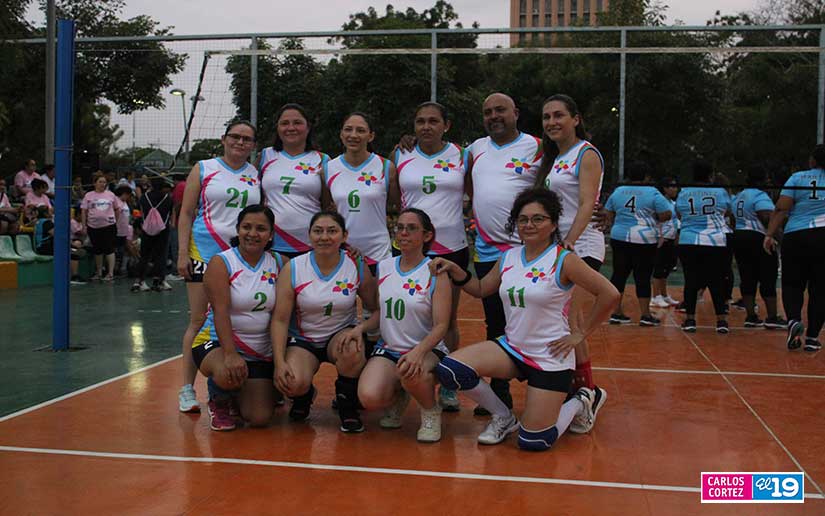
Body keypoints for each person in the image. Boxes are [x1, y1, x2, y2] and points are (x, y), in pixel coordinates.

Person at [430, 189, 619, 448]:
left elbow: (609, 294)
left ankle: (584, 398)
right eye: (523, 219)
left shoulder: (564, 260)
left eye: (538, 219)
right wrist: (455, 270)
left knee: (534, 441)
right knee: (451, 369)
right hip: (514, 349)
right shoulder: (509, 257)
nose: (529, 225)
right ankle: (503, 416)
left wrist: (580, 334)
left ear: (553, 223)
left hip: (550, 355)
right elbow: (482, 288)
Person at [462, 93, 544, 414]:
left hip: (526, 255)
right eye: (487, 112)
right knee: (494, 323)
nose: (494, 116)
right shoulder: (475, 149)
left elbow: (560, 185)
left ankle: (550, 384)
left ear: (516, 112)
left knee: (532, 321)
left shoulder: (537, 146)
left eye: (500, 110)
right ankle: (500, 392)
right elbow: (457, 175)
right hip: (486, 252)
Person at [176, 120, 261, 413]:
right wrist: (182, 253)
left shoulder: (256, 174)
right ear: (223, 139)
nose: (240, 142)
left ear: (253, 145)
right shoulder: (204, 168)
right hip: (204, 251)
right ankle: (187, 389)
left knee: (234, 316)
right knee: (199, 320)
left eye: (247, 139)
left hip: (242, 255)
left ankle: (231, 384)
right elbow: (186, 213)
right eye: (235, 137)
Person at [390, 101, 470, 412]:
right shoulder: (401, 154)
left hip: (451, 247)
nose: (426, 126)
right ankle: (401, 383)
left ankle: (447, 384)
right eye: (420, 121)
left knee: (446, 320)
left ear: (446, 125)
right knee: (405, 317)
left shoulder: (462, 155)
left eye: (433, 121)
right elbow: (396, 198)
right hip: (411, 248)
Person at [534, 94, 607, 426]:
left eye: (559, 115)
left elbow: (587, 204)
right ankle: (581, 391)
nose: (552, 122)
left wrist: (569, 243)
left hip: (581, 247)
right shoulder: (557, 157)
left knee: (573, 323)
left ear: (576, 119)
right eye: (547, 117)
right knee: (564, 322)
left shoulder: (586, 154)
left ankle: (587, 395)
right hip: (560, 249)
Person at [271, 211, 377, 432]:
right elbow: (280, 320)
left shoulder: (355, 265)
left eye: (332, 231)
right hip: (303, 339)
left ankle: (347, 405)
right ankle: (304, 394)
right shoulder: (294, 268)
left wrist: (361, 329)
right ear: (309, 235)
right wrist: (279, 362)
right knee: (293, 382)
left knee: (352, 348)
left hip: (339, 335)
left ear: (344, 235)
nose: (325, 237)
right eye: (318, 231)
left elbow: (377, 309)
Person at [350, 208, 450, 441]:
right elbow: (380, 312)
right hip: (390, 348)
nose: (403, 233)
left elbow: (441, 326)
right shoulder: (385, 267)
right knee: (369, 396)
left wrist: (418, 352)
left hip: (426, 349)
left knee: (411, 369)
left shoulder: (435, 271)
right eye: (400, 228)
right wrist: (360, 328)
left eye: (412, 228)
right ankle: (400, 395)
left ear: (426, 236)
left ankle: (430, 410)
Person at [191, 205, 283, 431]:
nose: (253, 233)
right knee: (226, 372)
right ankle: (219, 399)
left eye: (261, 228)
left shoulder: (280, 263)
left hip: (260, 350)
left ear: (270, 234)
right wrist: (230, 354)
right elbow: (220, 311)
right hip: (217, 343)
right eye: (246, 227)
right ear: (238, 229)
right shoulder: (222, 262)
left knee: (259, 418)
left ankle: (242, 394)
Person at [764, 145, 825, 352]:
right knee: (820, 290)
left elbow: (782, 207)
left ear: (813, 160)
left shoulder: (797, 178)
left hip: (796, 235)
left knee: (792, 283)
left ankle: (793, 321)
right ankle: (813, 337)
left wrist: (769, 234)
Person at [259, 103, 332, 258]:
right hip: (271, 244)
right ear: (277, 128)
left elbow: (327, 205)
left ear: (308, 127)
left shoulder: (322, 160)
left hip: (311, 243)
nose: (291, 128)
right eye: (285, 123)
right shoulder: (265, 156)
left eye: (297, 123)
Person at [604, 161, 672, 326]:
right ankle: (645, 315)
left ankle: (616, 312)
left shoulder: (618, 191)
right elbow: (667, 214)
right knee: (642, 276)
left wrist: (617, 221)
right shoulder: (653, 192)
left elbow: (607, 212)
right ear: (647, 177)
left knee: (618, 274)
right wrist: (653, 218)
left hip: (620, 237)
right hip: (644, 238)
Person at [324, 112, 394, 269]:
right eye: (348, 129)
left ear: (371, 136)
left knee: (379, 294)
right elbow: (326, 208)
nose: (353, 135)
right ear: (341, 134)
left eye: (361, 130)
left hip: (379, 252)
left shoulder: (386, 167)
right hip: (342, 251)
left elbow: (396, 205)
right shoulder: (328, 169)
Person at [675, 160, 733, 333]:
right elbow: (727, 212)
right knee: (717, 281)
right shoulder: (720, 192)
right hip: (715, 241)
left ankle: (690, 319)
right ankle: (721, 321)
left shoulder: (684, 192)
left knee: (691, 280)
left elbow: (679, 213)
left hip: (689, 240)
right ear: (711, 175)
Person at [732, 166, 786, 329]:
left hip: (740, 236)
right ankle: (771, 317)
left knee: (747, 276)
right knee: (767, 277)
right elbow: (767, 218)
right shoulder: (760, 196)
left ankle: (751, 316)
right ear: (761, 180)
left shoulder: (739, 196)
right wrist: (780, 238)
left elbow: (733, 219)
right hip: (757, 237)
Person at [133, 176, 174, 292]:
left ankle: (139, 281)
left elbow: (138, 212)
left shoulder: (144, 197)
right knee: (161, 255)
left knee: (145, 255)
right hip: (163, 230)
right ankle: (159, 281)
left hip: (146, 229)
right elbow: (170, 213)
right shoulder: (168, 198)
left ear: (151, 185)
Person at [80, 172, 122, 282]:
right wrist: (84, 225)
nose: (103, 184)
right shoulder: (88, 195)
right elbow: (84, 211)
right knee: (97, 249)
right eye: (100, 182)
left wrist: (115, 221)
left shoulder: (111, 195)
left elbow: (117, 209)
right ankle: (99, 272)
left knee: (109, 248)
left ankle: (110, 273)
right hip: (93, 226)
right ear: (95, 183)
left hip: (109, 226)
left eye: (104, 182)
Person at [33, 206, 86, 284]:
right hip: (46, 247)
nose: (52, 213)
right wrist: (72, 245)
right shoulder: (47, 223)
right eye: (50, 211)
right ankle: (74, 277)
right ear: (45, 213)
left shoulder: (38, 222)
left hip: (42, 246)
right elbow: (57, 236)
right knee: (73, 254)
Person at [650, 177, 680, 308]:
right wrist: (659, 236)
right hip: (662, 238)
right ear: (665, 189)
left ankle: (664, 294)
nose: (674, 189)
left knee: (666, 268)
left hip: (671, 238)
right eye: (671, 186)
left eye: (675, 186)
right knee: (658, 268)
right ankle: (655, 296)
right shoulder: (660, 202)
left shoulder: (673, 203)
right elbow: (656, 218)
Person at [114, 185, 134, 277]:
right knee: (116, 252)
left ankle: (118, 270)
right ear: (125, 194)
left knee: (121, 252)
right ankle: (114, 270)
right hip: (116, 231)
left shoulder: (125, 203)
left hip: (124, 232)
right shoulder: (116, 202)